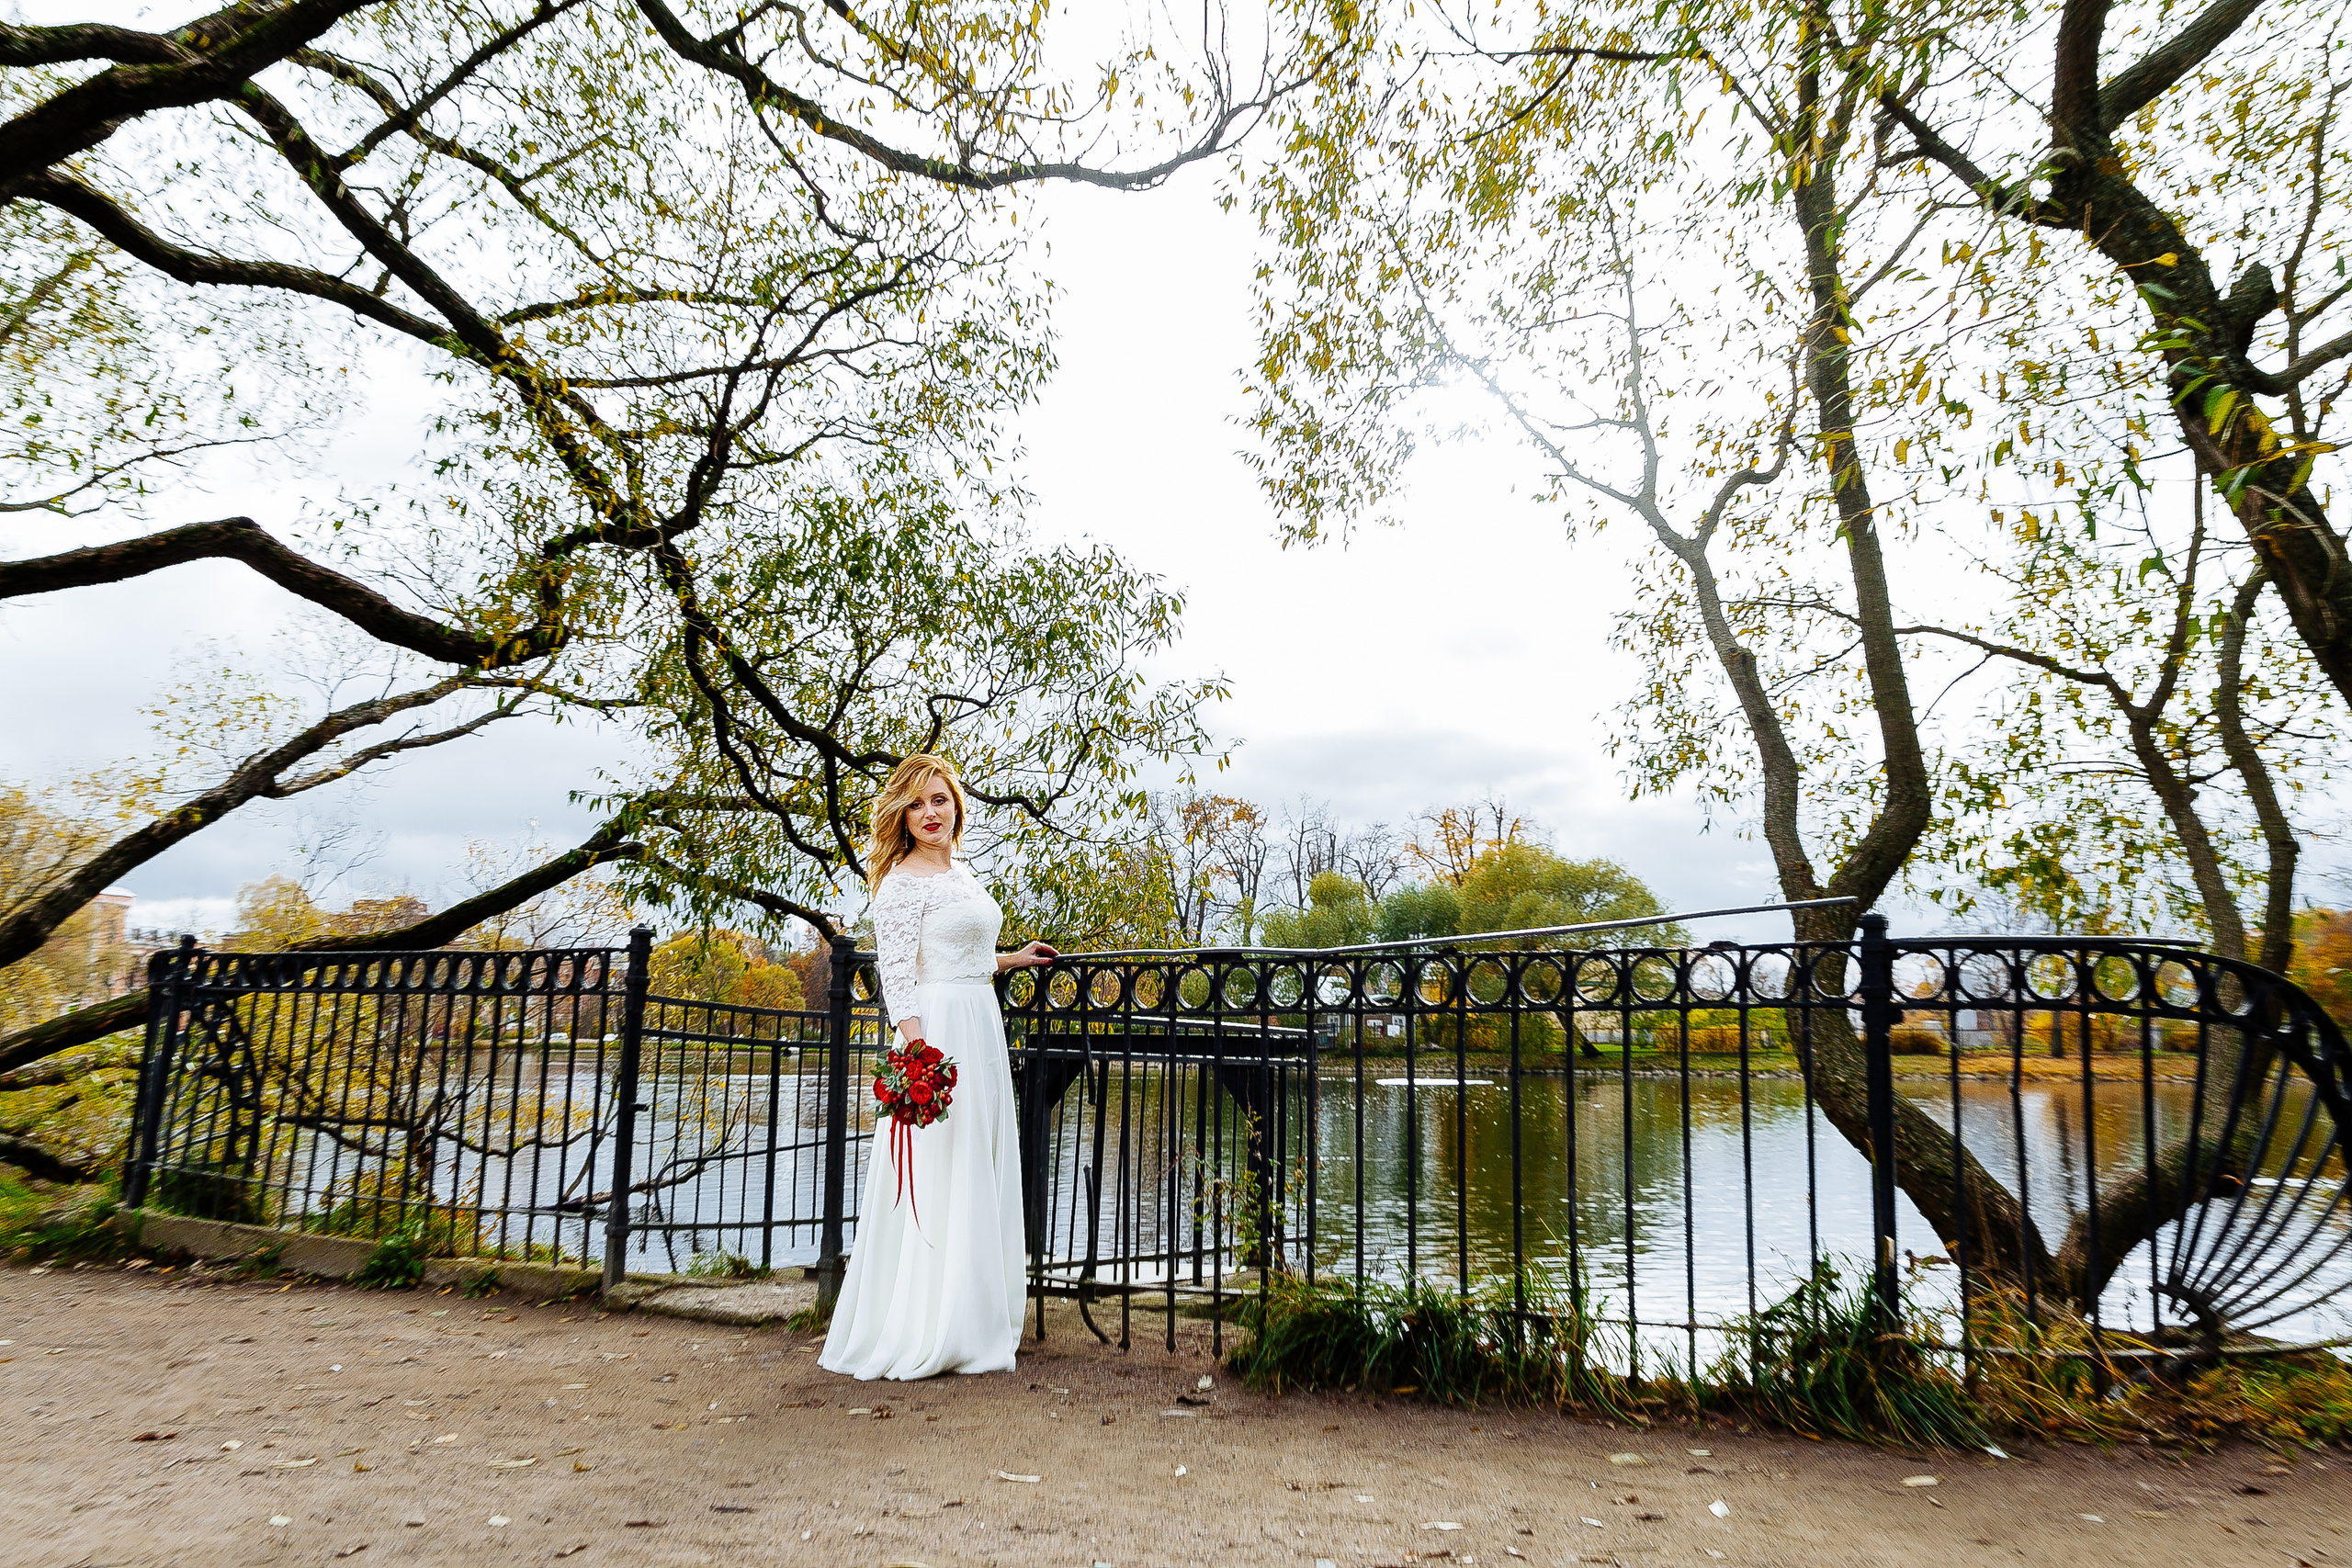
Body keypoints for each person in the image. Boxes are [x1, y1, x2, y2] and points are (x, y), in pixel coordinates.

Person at [819, 753, 1057, 1380]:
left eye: (940, 800)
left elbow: (962, 954)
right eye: (918, 804)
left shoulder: (965, 872)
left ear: (957, 805)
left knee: (977, 1162)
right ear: (903, 814)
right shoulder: (899, 882)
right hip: (936, 1033)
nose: (930, 813)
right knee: (941, 1169)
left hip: (979, 1020)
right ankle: (932, 1323)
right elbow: (898, 972)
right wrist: (917, 1050)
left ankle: (977, 1314)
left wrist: (1012, 959)